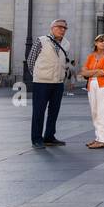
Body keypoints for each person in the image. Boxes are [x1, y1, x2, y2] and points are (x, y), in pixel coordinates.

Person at [28, 18, 70, 149]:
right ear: (52, 28)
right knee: (39, 111)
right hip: (42, 82)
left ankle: (49, 136)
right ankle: (36, 139)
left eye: (64, 28)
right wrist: (38, 75)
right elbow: (31, 60)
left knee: (54, 111)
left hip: (58, 82)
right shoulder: (41, 40)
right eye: (59, 27)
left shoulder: (67, 44)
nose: (62, 30)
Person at [81, 35, 104, 149]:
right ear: (95, 43)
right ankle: (98, 138)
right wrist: (95, 71)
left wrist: (90, 72)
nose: (103, 43)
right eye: (101, 41)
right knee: (94, 112)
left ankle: (103, 139)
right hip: (91, 85)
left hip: (102, 85)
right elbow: (83, 72)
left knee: (101, 111)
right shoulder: (91, 56)